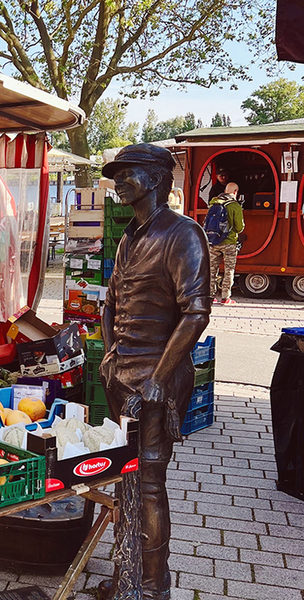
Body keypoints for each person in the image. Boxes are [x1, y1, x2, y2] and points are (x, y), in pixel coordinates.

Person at [98, 145, 211, 600]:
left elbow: (195, 312)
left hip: (154, 380)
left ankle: (152, 587)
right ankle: (126, 574)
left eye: (127, 173)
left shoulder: (183, 234)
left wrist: (158, 380)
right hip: (120, 374)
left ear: (153, 177)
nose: (119, 181)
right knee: (123, 477)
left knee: (147, 483)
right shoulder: (130, 237)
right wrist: (109, 354)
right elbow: (108, 303)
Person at [206, 182, 244, 305]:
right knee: (229, 270)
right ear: (235, 192)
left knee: (212, 270)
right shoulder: (235, 206)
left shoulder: (214, 203)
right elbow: (239, 227)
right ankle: (225, 297)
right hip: (229, 243)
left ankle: (210, 296)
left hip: (213, 241)